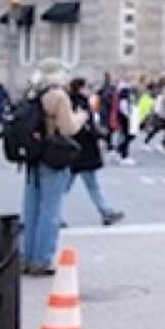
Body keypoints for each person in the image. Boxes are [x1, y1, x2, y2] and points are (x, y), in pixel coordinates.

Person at [20, 59, 82, 276]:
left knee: (31, 208)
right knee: (50, 209)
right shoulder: (59, 96)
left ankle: (24, 256)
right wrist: (81, 118)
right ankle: (42, 259)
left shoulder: (33, 93)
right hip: (53, 154)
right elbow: (67, 128)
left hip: (32, 155)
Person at [64, 78, 125, 227]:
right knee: (73, 186)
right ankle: (106, 212)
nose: (89, 90)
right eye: (87, 87)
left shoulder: (72, 101)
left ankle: (106, 212)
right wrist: (98, 134)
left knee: (68, 186)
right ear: (80, 88)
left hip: (77, 150)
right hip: (82, 150)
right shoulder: (79, 103)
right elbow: (84, 127)